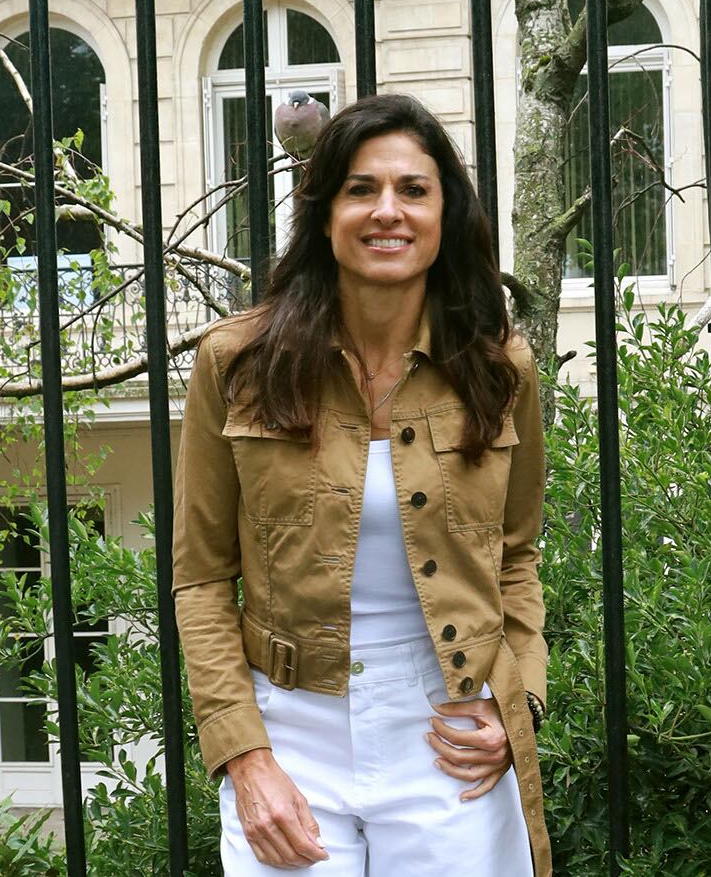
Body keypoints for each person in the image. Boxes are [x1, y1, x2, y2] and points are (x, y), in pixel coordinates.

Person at [173, 92, 550, 875]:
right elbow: (202, 578)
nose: (388, 211)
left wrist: (520, 705)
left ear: (447, 215)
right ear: (324, 211)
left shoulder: (498, 368)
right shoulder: (236, 363)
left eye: (413, 189)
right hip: (290, 729)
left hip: (449, 724)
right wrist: (244, 754)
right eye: (361, 188)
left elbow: (516, 557)